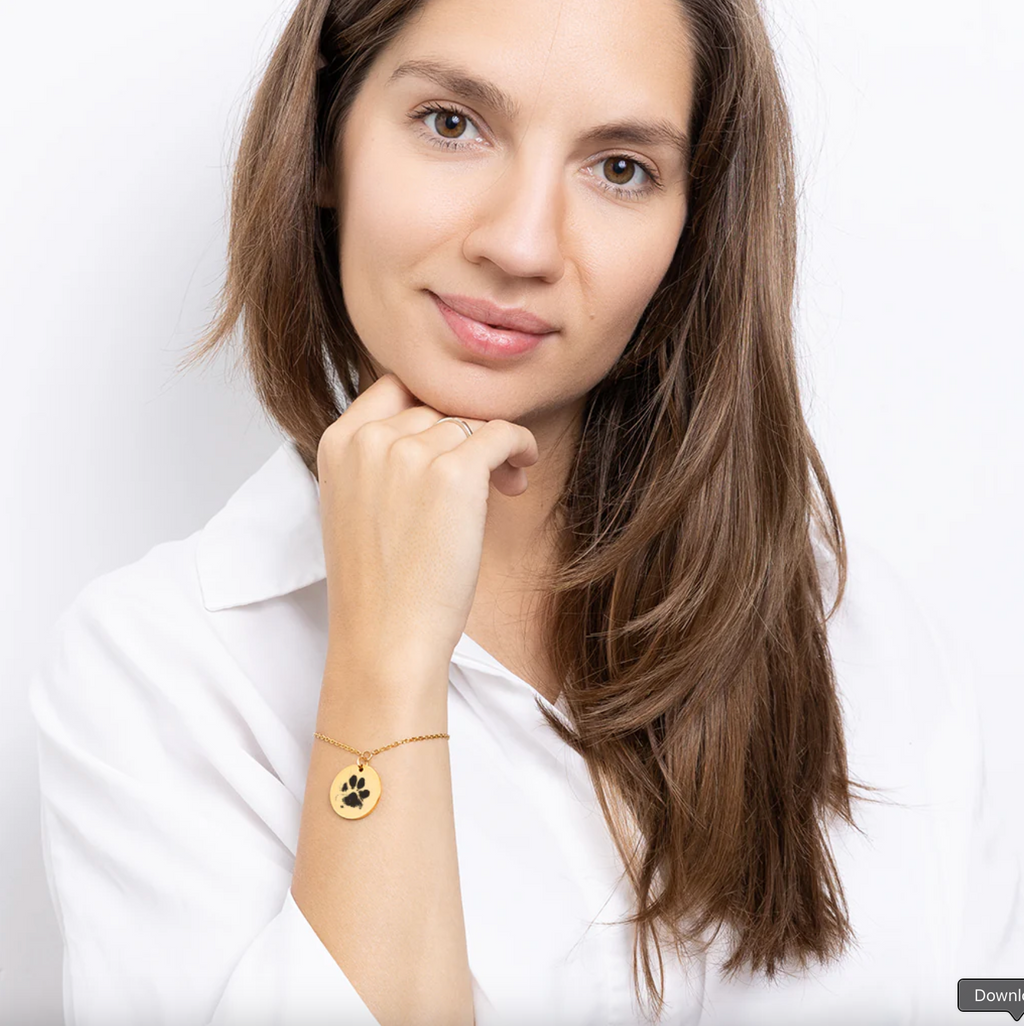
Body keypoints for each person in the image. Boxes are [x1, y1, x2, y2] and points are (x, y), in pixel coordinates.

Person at [28, 0, 1021, 1023]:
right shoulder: (158, 676)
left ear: (692, 228)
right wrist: (384, 666)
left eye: (620, 167)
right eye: (453, 123)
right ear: (325, 141)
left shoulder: (863, 637)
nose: (520, 243)